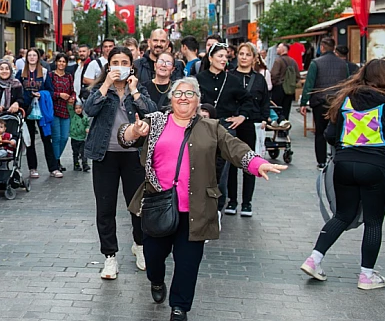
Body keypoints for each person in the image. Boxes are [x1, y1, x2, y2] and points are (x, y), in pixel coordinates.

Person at [119, 77, 286, 320]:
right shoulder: (155, 122)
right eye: (178, 93)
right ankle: (156, 281)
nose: (184, 97)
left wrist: (257, 164)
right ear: (170, 99)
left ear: (198, 100)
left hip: (196, 210)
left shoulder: (211, 128)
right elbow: (125, 137)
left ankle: (179, 307)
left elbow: (235, 148)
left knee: (188, 264)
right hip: (158, 204)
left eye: (190, 93)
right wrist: (134, 130)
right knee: (153, 258)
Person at [300, 59, 385, 291]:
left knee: (343, 215)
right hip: (375, 167)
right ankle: (366, 275)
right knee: (374, 221)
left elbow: (329, 134)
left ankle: (314, 259)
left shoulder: (346, 99)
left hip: (344, 165)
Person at [83, 46, 157, 279]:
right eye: (115, 62)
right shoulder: (100, 88)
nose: (120, 67)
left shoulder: (138, 87)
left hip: (133, 154)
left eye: (124, 62)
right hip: (104, 155)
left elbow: (151, 111)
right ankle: (110, 257)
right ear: (108, 65)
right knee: (105, 207)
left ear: (131, 66)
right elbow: (89, 109)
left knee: (137, 205)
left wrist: (134, 91)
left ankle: (140, 245)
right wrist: (105, 85)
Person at [196, 42, 253, 211]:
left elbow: (247, 100)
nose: (223, 59)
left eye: (226, 57)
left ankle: (218, 206)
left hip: (225, 127)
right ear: (211, 58)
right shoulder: (199, 79)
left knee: (222, 169)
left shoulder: (232, 80)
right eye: (220, 56)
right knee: (202, 166)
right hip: (203, 127)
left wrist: (241, 116)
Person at [226, 43, 270, 217]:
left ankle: (247, 202)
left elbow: (265, 100)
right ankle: (232, 200)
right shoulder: (229, 76)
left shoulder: (258, 79)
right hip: (231, 123)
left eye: (247, 54)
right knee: (230, 164)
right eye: (241, 54)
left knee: (250, 163)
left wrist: (265, 119)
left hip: (251, 124)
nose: (244, 57)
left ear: (254, 58)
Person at [300, 37, 351, 169]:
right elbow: (346, 83)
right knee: (339, 131)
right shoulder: (343, 64)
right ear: (334, 48)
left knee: (320, 132)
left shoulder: (315, 63)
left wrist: (303, 102)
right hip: (338, 102)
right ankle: (337, 157)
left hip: (320, 102)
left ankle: (321, 161)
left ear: (322, 47)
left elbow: (309, 84)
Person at [16, 49, 60, 178]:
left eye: (34, 55)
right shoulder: (20, 73)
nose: (32, 57)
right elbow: (16, 90)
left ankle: (53, 168)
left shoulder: (45, 73)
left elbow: (51, 91)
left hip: (41, 110)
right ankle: (32, 168)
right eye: (29, 55)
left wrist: (41, 94)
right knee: (30, 140)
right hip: (27, 109)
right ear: (26, 58)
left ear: (38, 57)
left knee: (46, 138)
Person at [50, 53, 76, 171]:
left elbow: (72, 91)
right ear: (56, 62)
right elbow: (48, 93)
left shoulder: (69, 76)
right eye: (59, 61)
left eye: (63, 61)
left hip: (66, 109)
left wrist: (72, 97)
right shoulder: (51, 76)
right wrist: (59, 95)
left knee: (65, 137)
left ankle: (56, 157)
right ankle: (56, 162)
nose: (61, 64)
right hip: (54, 109)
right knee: (56, 137)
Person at [270, 43, 299, 121]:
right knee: (286, 110)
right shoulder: (293, 61)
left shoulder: (278, 61)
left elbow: (274, 74)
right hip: (289, 89)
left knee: (277, 110)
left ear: (283, 49)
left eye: (278, 48)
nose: (277, 49)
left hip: (279, 88)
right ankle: (285, 129)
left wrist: (274, 83)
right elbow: (297, 76)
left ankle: (278, 128)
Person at [69, 101, 90, 172]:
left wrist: (87, 128)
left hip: (82, 138)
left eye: (80, 108)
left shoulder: (84, 117)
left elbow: (87, 124)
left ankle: (85, 164)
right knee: (75, 152)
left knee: (84, 152)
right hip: (74, 138)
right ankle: (76, 164)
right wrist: (71, 103)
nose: (78, 110)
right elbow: (69, 109)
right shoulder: (72, 116)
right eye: (76, 108)